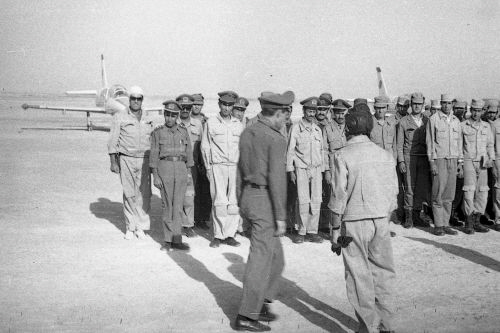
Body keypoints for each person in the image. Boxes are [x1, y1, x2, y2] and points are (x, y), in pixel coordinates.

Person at [329, 103, 398, 333]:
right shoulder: (385, 155)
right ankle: (387, 325)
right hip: (381, 220)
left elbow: (338, 196)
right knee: (383, 273)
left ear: (348, 128)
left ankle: (368, 328)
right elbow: (393, 193)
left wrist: (335, 230)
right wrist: (384, 217)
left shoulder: (342, 155)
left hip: (353, 223)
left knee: (359, 275)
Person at [234, 91, 292, 332]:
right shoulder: (276, 139)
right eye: (285, 115)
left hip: (249, 195)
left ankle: (261, 303)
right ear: (277, 113)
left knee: (276, 259)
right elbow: (277, 180)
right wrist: (281, 216)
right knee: (260, 259)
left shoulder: (248, 131)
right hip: (266, 201)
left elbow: (239, 168)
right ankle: (247, 316)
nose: (287, 119)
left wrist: (241, 201)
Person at [108, 86, 154, 240]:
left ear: (142, 100)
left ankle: (141, 227)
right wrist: (113, 161)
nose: (135, 101)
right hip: (126, 158)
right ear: (129, 100)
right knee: (129, 193)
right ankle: (130, 226)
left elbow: (153, 140)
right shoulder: (120, 116)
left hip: (144, 159)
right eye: (133, 98)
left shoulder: (148, 117)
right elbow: (113, 140)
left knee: (144, 194)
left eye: (138, 98)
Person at [201, 91, 244, 248]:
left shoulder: (238, 125)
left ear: (233, 107)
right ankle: (218, 235)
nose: (226, 108)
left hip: (234, 167)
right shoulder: (211, 123)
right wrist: (208, 167)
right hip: (217, 166)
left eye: (230, 105)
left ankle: (230, 234)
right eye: (224, 104)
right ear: (219, 105)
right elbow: (205, 146)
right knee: (219, 201)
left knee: (233, 202)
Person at [150, 100, 193, 251]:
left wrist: (188, 173)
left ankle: (177, 239)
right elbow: (154, 154)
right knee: (167, 206)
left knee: (178, 206)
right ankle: (167, 240)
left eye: (173, 116)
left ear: (177, 116)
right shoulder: (158, 132)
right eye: (167, 115)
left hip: (180, 168)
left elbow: (189, 154)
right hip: (165, 168)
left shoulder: (183, 131)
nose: (169, 118)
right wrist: (155, 175)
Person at [286, 97, 325, 244]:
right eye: (309, 111)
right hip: (301, 168)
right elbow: (290, 151)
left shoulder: (317, 129)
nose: (311, 113)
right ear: (303, 111)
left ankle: (312, 231)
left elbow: (321, 150)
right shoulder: (296, 128)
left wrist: (321, 170)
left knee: (316, 200)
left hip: (315, 169)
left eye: (314, 111)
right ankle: (301, 231)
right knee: (302, 200)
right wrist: (291, 170)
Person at [426, 93, 463, 236]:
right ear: (441, 103)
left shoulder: (456, 121)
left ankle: (446, 223)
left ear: (452, 104)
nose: (446, 106)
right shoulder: (434, 120)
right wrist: (432, 162)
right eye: (444, 103)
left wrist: (460, 162)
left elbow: (459, 143)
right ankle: (438, 225)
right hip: (439, 160)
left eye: (449, 103)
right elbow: (430, 143)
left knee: (449, 194)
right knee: (438, 193)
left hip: (453, 159)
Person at [396, 92, 430, 228]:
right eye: (414, 104)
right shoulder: (404, 121)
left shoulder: (427, 121)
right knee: (409, 187)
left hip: (423, 158)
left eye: (419, 104)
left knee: (420, 188)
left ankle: (416, 215)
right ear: (411, 105)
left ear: (422, 105)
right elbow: (399, 144)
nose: (417, 107)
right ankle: (408, 217)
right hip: (409, 157)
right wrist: (401, 161)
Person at [460, 99, 494, 234]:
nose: (476, 113)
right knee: (469, 191)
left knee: (482, 192)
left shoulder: (486, 126)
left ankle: (477, 220)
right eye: (474, 110)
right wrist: (460, 163)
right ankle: (468, 222)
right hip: (469, 161)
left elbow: (490, 145)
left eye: (479, 111)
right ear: (470, 110)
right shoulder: (464, 125)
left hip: (483, 162)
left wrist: (490, 157)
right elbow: (459, 146)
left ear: (482, 112)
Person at [176, 93, 204, 237]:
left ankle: (188, 225)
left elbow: (201, 146)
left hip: (191, 165)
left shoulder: (198, 124)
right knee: (175, 195)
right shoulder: (172, 122)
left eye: (188, 107)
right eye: (182, 107)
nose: (185, 110)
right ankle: (175, 224)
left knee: (189, 196)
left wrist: (201, 164)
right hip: (175, 165)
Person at [190, 93, 211, 225]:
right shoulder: (185, 119)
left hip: (203, 159)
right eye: (195, 104)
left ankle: (202, 218)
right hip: (191, 158)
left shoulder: (206, 121)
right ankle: (191, 218)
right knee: (192, 190)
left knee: (205, 189)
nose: (197, 106)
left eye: (199, 104)